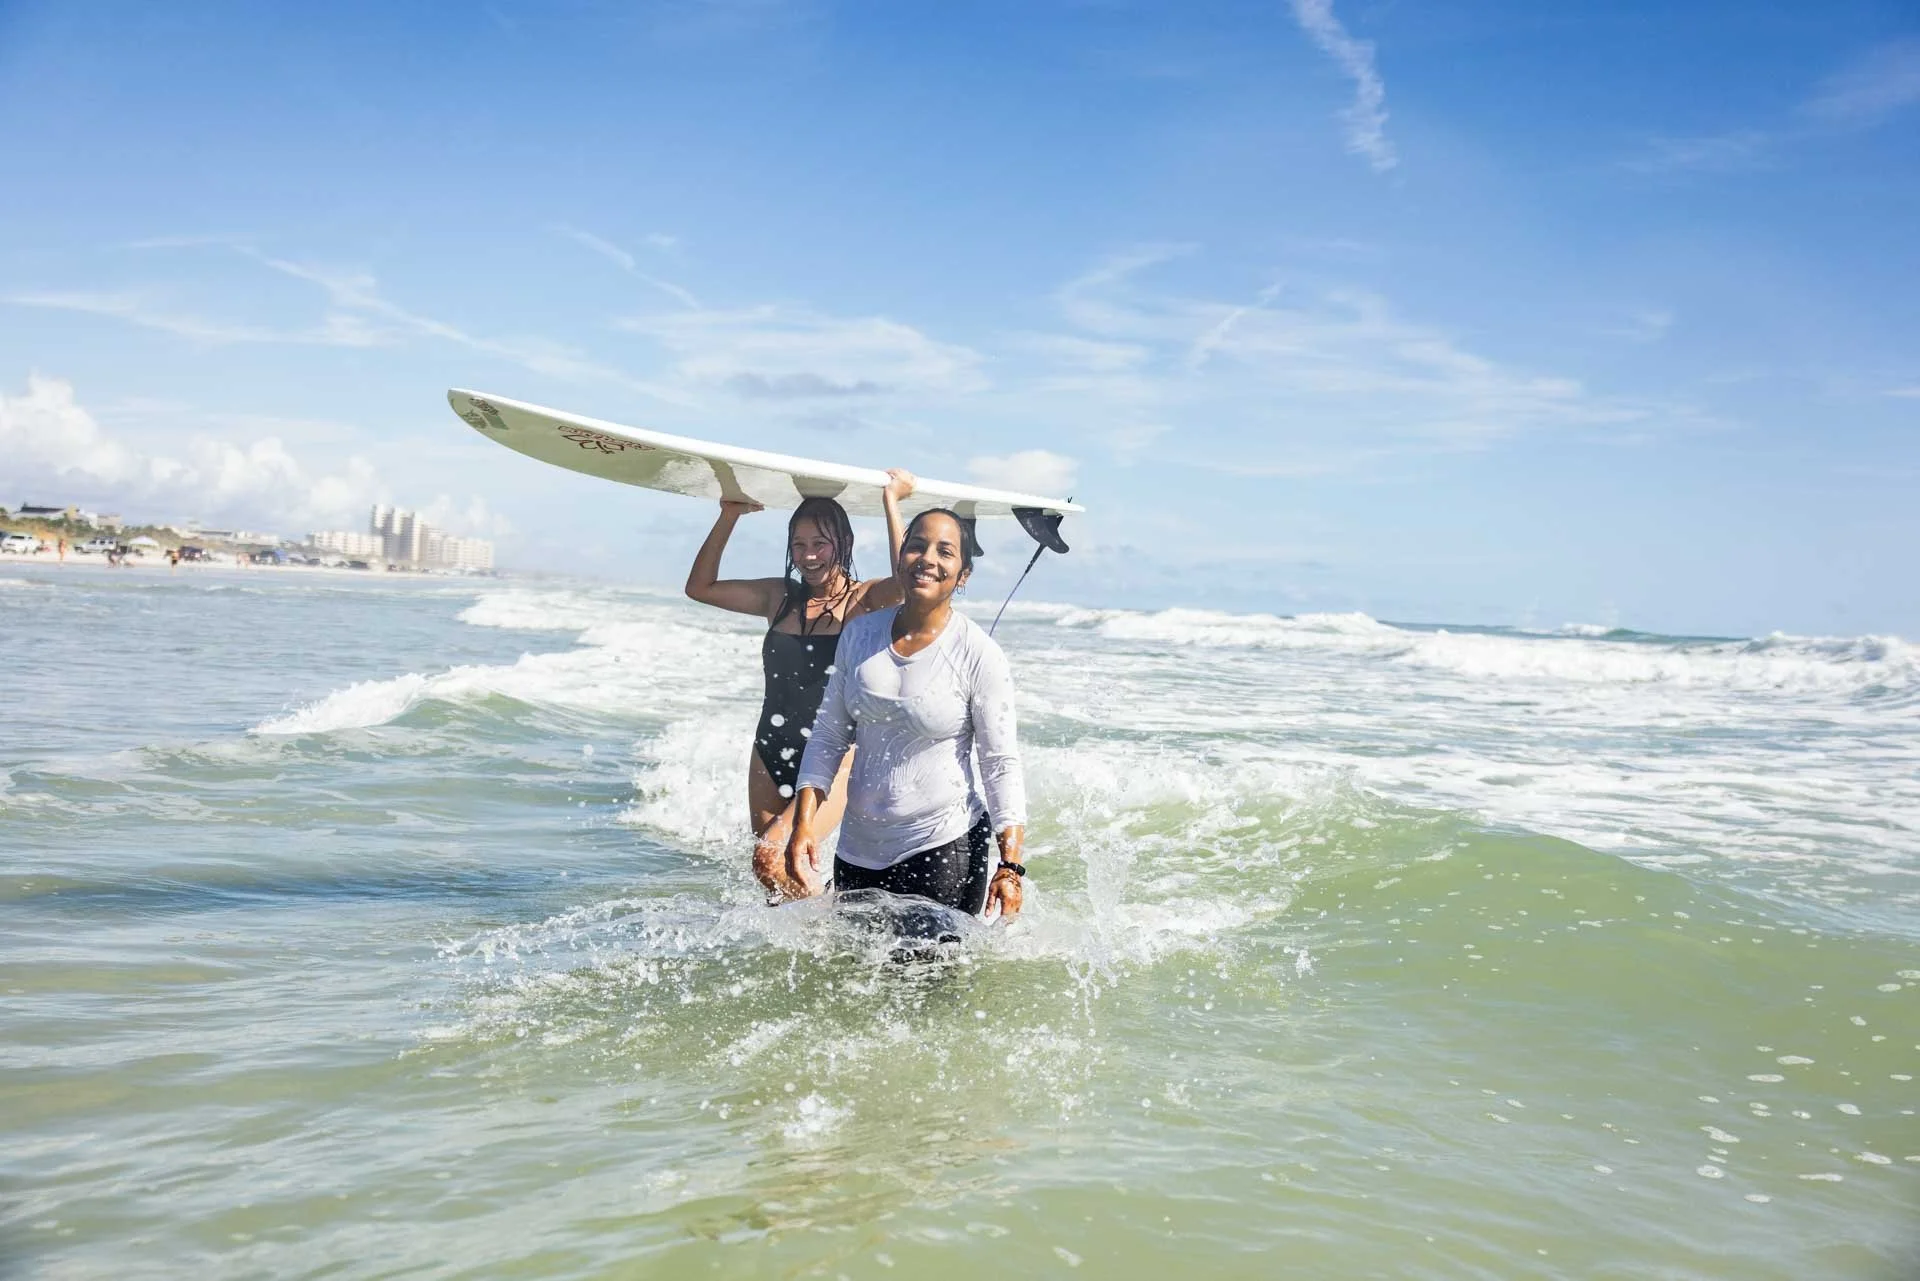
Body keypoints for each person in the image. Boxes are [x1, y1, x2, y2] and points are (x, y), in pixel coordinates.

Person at [785, 508, 1028, 920]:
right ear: (900, 558)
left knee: (932, 983)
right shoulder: (861, 634)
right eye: (917, 546)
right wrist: (804, 823)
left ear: (963, 574)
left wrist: (1010, 866)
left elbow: (999, 762)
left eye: (945, 552)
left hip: (944, 848)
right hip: (858, 849)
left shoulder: (979, 654)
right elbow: (828, 734)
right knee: (853, 978)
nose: (928, 558)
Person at [684, 471, 916, 897]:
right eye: (799, 545)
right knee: (775, 885)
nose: (809, 556)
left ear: (843, 544)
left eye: (820, 544)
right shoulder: (779, 597)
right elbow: (699, 588)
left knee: (772, 856)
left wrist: (892, 501)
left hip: (836, 754)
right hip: (769, 746)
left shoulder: (864, 600)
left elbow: (908, 583)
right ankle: (831, 934)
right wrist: (730, 516)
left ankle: (838, 930)